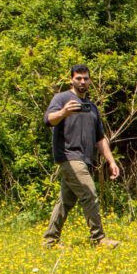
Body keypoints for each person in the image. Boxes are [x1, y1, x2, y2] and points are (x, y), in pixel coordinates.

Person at [42, 64, 121, 248]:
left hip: (85, 158)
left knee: (66, 201)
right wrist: (64, 112)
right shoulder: (62, 98)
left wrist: (111, 161)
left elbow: (100, 138)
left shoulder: (91, 107)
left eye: (85, 78)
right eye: (78, 78)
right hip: (69, 156)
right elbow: (48, 120)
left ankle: (50, 241)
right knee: (89, 194)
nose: (82, 81)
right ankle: (99, 239)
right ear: (71, 79)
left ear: (90, 80)